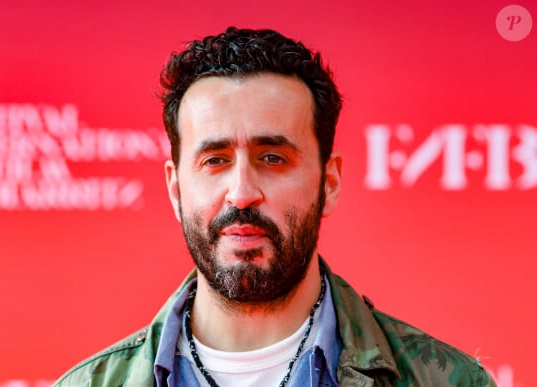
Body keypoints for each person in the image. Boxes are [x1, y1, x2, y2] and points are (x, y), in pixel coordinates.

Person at [55, 27, 495, 387]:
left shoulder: (446, 381)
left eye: (272, 158)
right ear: (175, 188)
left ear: (330, 181)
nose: (242, 192)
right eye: (215, 160)